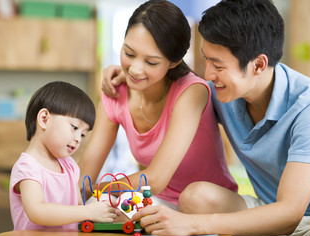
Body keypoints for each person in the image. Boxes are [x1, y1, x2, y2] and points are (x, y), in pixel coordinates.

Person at [103, 0, 310, 236]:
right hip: (264, 212)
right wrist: (130, 73)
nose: (208, 74)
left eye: (218, 65)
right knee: (196, 197)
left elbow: (290, 213)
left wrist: (192, 224)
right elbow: (176, 86)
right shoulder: (219, 93)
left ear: (259, 64)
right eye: (206, 59)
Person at [78, 0, 237, 210]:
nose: (134, 69)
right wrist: (76, 198)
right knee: (101, 213)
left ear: (174, 61)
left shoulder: (191, 92)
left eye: (151, 62)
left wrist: (98, 189)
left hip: (206, 203)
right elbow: (86, 173)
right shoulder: (116, 91)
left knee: (188, 199)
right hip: (155, 201)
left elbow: (155, 179)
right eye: (129, 53)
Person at [9, 81, 118, 230]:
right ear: (44, 119)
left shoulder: (69, 166)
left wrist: (103, 210)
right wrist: (87, 211)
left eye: (83, 134)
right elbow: (37, 211)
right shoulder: (27, 167)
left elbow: (79, 207)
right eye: (74, 127)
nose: (78, 139)